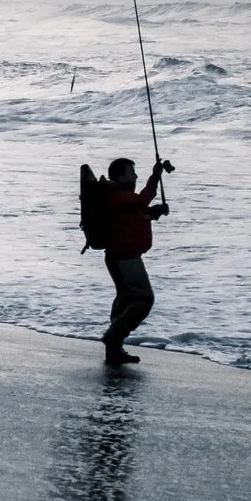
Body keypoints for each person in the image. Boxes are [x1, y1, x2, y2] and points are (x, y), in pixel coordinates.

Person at [93, 155, 171, 366]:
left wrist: (152, 214)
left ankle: (114, 349)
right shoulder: (117, 195)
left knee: (126, 299)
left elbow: (134, 215)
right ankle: (113, 338)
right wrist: (154, 177)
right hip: (125, 259)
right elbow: (141, 201)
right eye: (132, 172)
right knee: (144, 299)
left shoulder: (119, 197)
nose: (136, 176)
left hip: (120, 257)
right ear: (120, 176)